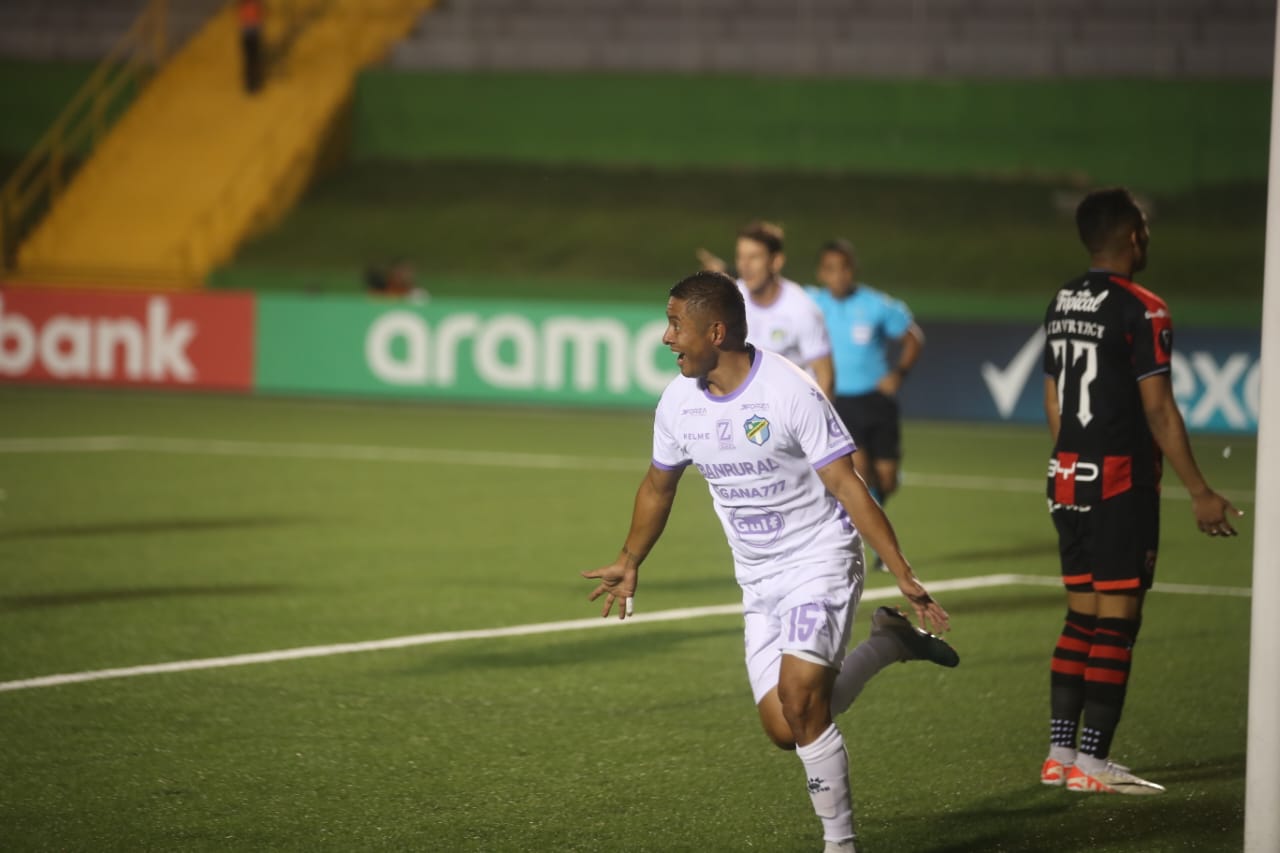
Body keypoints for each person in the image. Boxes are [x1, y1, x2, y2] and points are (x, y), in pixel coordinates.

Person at [581, 271, 958, 852]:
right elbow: (658, 487)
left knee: (803, 698)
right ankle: (890, 643)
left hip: (820, 557)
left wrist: (902, 571)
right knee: (787, 727)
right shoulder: (678, 402)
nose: (665, 337)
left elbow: (849, 484)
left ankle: (840, 845)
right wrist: (630, 559)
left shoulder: (789, 390)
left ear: (717, 330)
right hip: (758, 580)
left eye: (675, 323)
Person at [1040, 187, 1243, 795]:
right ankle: (1094, 765)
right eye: (1145, 230)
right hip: (1120, 483)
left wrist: (1072, 456)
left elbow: (1053, 396)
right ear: (1133, 237)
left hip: (1068, 476)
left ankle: (1060, 756)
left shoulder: (1062, 299)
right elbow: (1159, 411)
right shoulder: (1144, 308)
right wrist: (1200, 491)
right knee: (1118, 622)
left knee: (1081, 617)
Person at [808, 238, 923, 516]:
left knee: (887, 478)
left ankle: (881, 496)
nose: (838, 275)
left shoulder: (876, 304)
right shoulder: (810, 303)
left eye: (843, 268)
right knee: (859, 470)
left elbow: (913, 339)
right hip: (838, 401)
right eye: (830, 269)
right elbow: (771, 294)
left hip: (876, 400)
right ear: (821, 273)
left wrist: (899, 374)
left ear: (853, 270)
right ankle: (876, 545)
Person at [697, 221, 835, 398]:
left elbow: (826, 378)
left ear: (776, 262)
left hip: (789, 413)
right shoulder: (727, 301)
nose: (745, 265)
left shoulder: (802, 309)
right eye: (740, 257)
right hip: (743, 412)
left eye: (754, 257)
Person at [238, 0, 265, 94]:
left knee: (252, 61)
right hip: (251, 34)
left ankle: (252, 83)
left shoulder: (248, 5)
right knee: (252, 60)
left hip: (249, 34)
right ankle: (252, 84)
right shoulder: (252, 5)